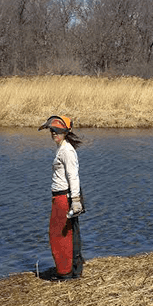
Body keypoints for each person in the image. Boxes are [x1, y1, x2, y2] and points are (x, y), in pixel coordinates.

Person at [39, 115, 85, 280]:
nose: (54, 135)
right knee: (64, 233)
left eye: (57, 132)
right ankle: (70, 269)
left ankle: (66, 273)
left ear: (65, 132)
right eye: (52, 132)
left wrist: (76, 201)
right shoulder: (61, 148)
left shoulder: (66, 151)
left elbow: (73, 176)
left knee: (61, 235)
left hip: (64, 197)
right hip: (60, 197)